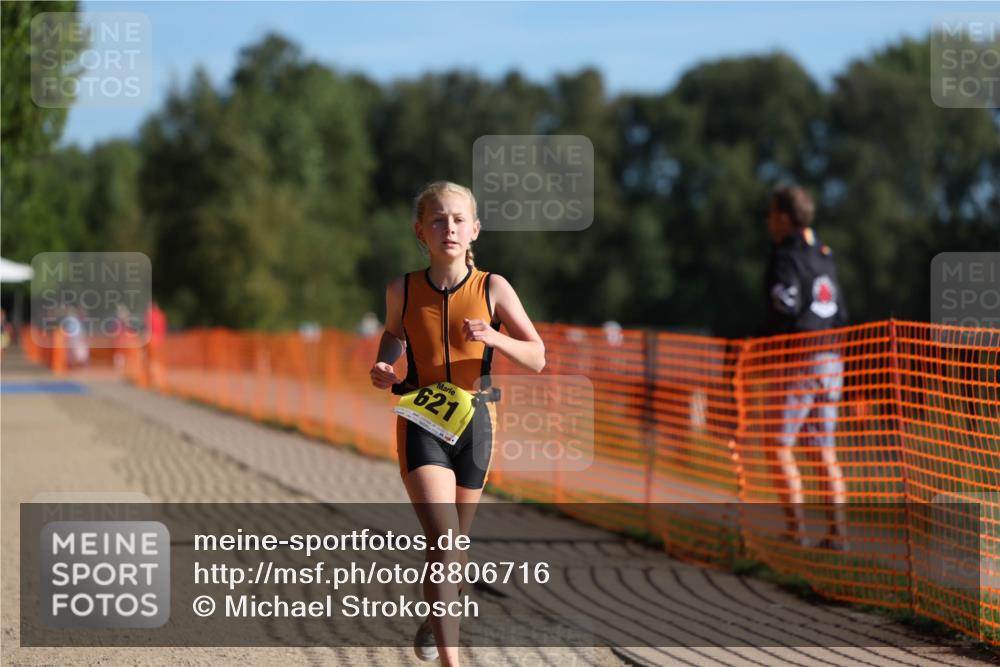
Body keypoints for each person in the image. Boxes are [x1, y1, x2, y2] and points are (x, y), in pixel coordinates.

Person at [369, 181, 545, 665]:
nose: (449, 228)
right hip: (421, 419)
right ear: (420, 231)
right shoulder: (401, 288)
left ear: (474, 231)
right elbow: (393, 335)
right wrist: (386, 365)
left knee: (453, 551)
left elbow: (538, 356)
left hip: (477, 424)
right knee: (443, 540)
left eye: (458, 220)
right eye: (438, 220)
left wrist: (496, 337)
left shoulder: (493, 287)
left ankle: (433, 619)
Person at [761, 184, 849, 550]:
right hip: (832, 358)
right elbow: (840, 311)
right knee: (822, 449)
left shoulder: (786, 257)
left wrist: (759, 340)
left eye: (771, 214)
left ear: (783, 217)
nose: (768, 221)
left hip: (799, 357)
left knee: (778, 445)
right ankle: (837, 534)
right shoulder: (823, 254)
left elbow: (785, 306)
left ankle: (796, 530)